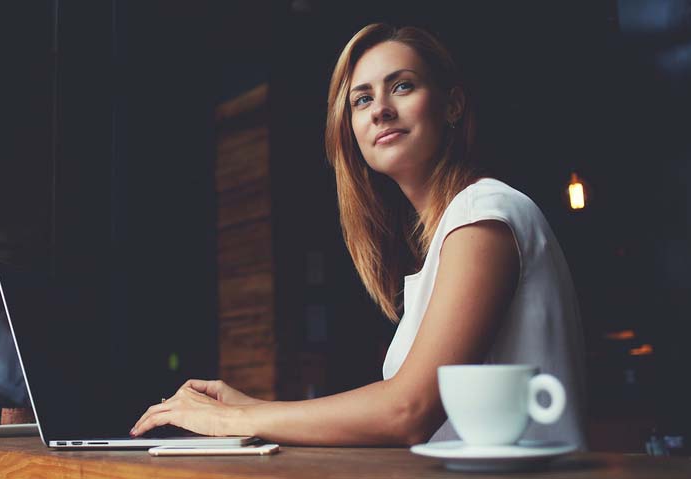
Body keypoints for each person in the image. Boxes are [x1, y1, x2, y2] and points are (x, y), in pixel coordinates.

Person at [130, 23, 587, 448]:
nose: (381, 110)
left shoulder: (484, 212)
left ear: (452, 105)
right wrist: (250, 406)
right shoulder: (453, 231)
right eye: (361, 99)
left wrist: (234, 421)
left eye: (402, 86)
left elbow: (409, 409)